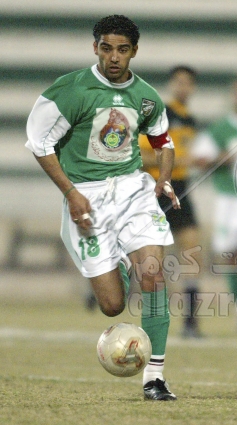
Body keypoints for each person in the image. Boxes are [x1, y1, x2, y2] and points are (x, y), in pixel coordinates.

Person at [25, 15, 177, 401]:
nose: (114, 57)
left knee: (153, 274)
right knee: (112, 306)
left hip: (132, 190)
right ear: (95, 47)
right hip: (87, 196)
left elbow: (164, 142)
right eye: (107, 48)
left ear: (134, 51)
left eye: (122, 50)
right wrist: (71, 193)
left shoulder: (146, 96)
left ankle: (155, 378)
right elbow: (39, 144)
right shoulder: (70, 91)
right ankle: (120, 264)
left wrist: (163, 179)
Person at [192, 80, 237, 331]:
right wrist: (221, 158)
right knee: (229, 254)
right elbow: (199, 160)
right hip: (228, 198)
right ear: (233, 97)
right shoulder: (219, 129)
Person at [140, 65, 203, 339]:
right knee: (155, 259)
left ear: (193, 87)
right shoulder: (161, 114)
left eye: (187, 82)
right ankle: (155, 320)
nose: (183, 87)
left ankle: (190, 323)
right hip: (158, 187)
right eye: (178, 82)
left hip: (182, 187)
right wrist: (174, 161)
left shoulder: (190, 120)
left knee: (193, 252)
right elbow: (141, 154)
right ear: (171, 84)